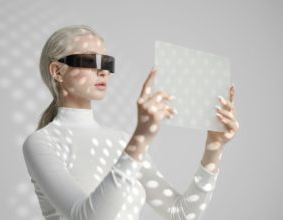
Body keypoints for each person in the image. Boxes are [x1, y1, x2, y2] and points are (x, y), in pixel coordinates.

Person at [22, 24, 240, 220]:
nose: (103, 71)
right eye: (89, 60)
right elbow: (87, 217)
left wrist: (215, 146)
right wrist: (141, 137)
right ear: (57, 71)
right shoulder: (42, 142)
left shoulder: (120, 141)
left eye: (107, 62)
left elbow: (181, 213)